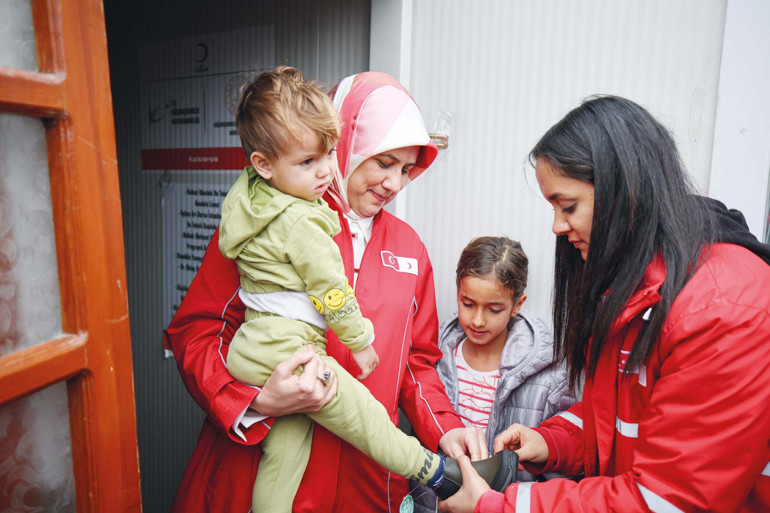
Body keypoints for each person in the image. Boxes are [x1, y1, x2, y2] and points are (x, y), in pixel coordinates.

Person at [164, 70, 487, 513]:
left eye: (407, 169)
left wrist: (444, 427)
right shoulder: (267, 222)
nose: (394, 184)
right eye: (383, 162)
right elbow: (196, 332)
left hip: (366, 480)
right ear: (346, 143)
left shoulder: (410, 249)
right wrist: (254, 400)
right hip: (264, 463)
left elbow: (417, 363)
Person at [438, 95, 770, 513]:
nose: (558, 226)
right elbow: (614, 420)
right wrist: (552, 441)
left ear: (624, 190)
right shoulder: (635, 290)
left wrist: (498, 506)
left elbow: (669, 500)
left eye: (568, 206)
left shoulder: (723, 308)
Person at [412, 236, 574, 512]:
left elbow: (561, 475)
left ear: (517, 304)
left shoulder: (549, 377)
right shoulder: (433, 360)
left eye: (494, 309)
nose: (477, 320)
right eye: (468, 303)